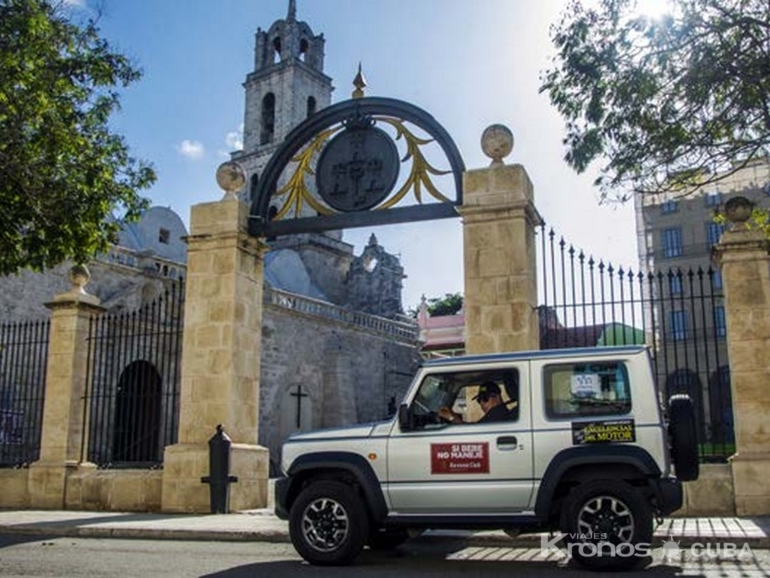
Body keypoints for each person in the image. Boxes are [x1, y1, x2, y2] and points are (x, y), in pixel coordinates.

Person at [439, 382, 514, 424]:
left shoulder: (498, 413)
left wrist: (451, 417)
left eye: (485, 398)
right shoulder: (496, 413)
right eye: (479, 400)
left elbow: (474, 429)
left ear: (497, 398)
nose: (481, 404)